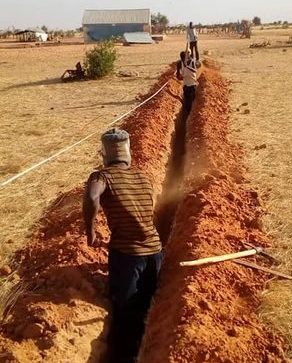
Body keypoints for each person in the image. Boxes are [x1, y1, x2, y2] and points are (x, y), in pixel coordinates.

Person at [83, 129, 162, 363]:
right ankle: (146, 348)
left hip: (129, 256)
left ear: (105, 155)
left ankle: (127, 356)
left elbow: (90, 198)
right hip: (156, 253)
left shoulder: (101, 177)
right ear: (128, 154)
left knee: (125, 312)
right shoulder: (143, 177)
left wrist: (91, 231)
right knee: (147, 307)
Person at [176, 50, 200, 115]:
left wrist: (188, 66)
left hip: (193, 85)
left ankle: (192, 115)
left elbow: (196, 68)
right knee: (187, 101)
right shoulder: (179, 64)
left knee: (193, 100)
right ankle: (188, 113)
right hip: (186, 85)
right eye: (183, 59)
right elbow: (178, 76)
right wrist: (181, 77)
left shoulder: (192, 62)